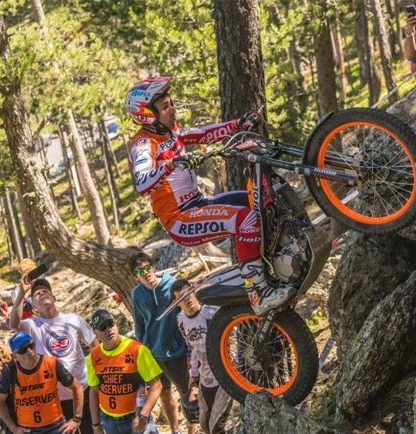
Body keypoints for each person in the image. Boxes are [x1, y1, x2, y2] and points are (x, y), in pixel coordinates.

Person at [125, 77, 294, 314]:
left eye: (170, 103)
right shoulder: (143, 143)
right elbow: (142, 183)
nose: (172, 109)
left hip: (198, 204)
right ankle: (259, 292)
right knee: (246, 220)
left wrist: (239, 124)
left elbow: (202, 133)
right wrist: (170, 164)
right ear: (147, 115)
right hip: (180, 219)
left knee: (260, 197)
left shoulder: (170, 132)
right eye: (165, 107)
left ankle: (280, 261)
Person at [9, 275, 110, 434]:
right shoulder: (33, 325)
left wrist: (97, 374)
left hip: (81, 389)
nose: (42, 294)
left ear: (54, 297)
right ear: (32, 306)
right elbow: (12, 325)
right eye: (37, 295)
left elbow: (93, 345)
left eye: (45, 291)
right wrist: (22, 294)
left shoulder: (73, 319)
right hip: (52, 397)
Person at [129, 252, 197, 434]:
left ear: (152, 266)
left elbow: (186, 313)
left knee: (188, 394)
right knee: (165, 394)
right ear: (135, 276)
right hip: (154, 353)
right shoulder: (137, 294)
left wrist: (189, 349)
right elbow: (139, 324)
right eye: (140, 271)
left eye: (147, 267)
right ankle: (176, 433)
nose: (146, 272)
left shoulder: (171, 284)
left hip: (177, 350)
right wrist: (142, 352)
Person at [171, 279, 234, 434]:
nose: (187, 299)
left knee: (216, 423)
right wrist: (194, 374)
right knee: (204, 422)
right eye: (180, 297)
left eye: (188, 292)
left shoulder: (211, 311)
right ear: (176, 303)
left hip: (225, 368)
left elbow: (233, 334)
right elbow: (192, 348)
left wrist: (235, 361)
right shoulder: (181, 320)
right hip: (205, 371)